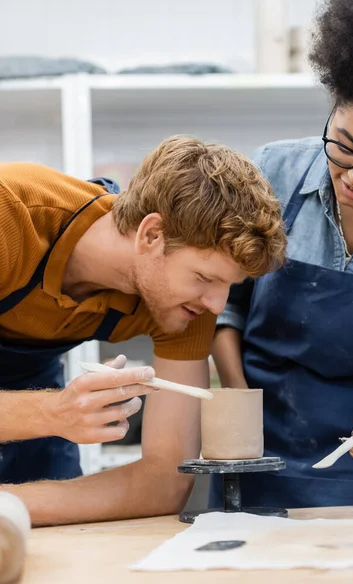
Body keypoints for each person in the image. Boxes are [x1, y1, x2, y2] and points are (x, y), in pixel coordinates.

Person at [0, 135, 285, 524]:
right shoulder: (10, 215)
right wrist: (53, 412)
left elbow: (164, 483)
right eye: (203, 277)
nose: (217, 306)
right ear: (151, 235)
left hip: (32, 412)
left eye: (229, 286)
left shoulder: (191, 307)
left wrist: (10, 504)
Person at [212, 0, 353, 510]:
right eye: (344, 145)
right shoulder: (271, 173)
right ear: (332, 103)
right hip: (256, 462)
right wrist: (239, 404)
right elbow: (223, 308)